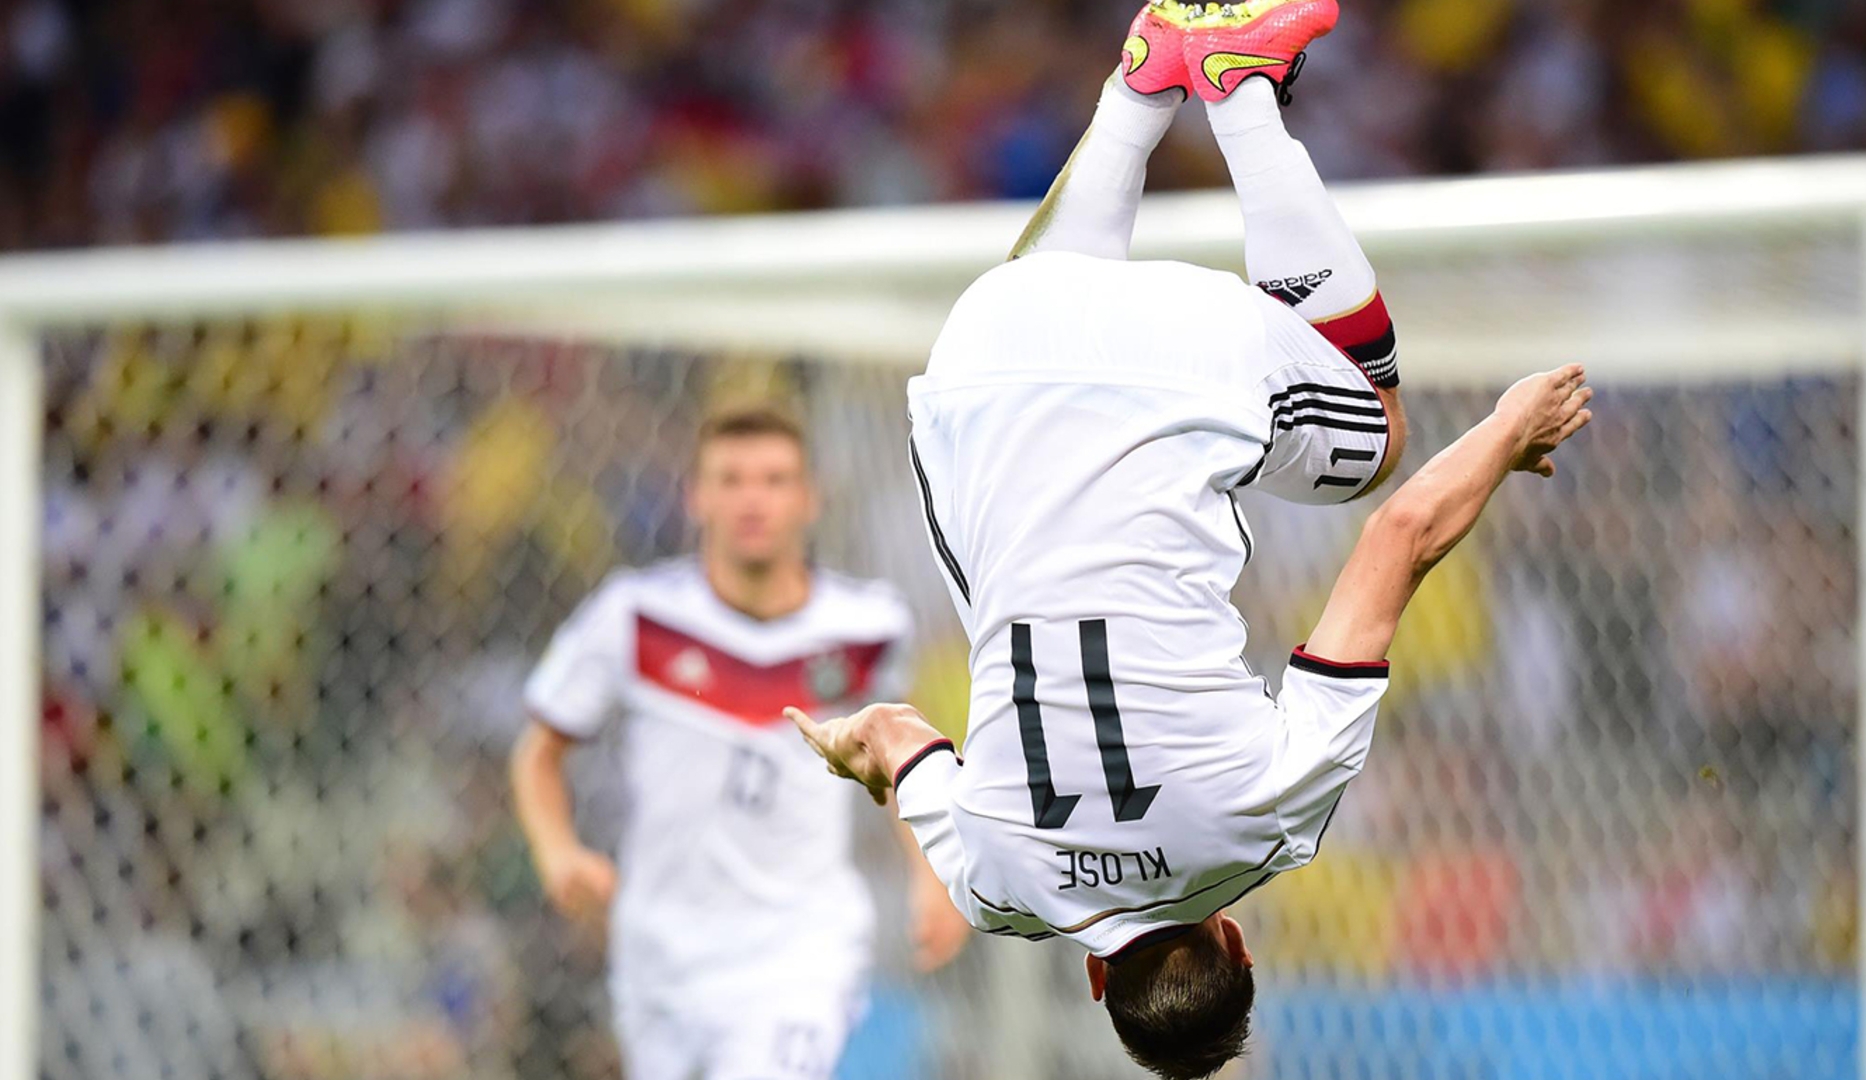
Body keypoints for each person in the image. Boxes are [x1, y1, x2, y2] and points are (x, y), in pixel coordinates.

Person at [785, 1, 1595, 1077]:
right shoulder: (994, 885)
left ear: (1238, 943)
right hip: (985, 351)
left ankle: (1240, 92)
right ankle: (1135, 88)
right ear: (1092, 977)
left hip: (1183, 358)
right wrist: (855, 753)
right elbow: (891, 737)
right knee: (1034, 331)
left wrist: (1505, 433)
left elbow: (1398, 536)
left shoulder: (1270, 825)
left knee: (1383, 430)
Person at [509, 406, 969, 1080]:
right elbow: (539, 751)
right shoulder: (636, 617)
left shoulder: (867, 628)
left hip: (798, 949)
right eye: (731, 479)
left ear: (810, 498)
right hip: (658, 952)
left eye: (775, 479)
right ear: (697, 496)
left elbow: (903, 757)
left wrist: (933, 879)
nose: (753, 499)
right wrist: (555, 851)